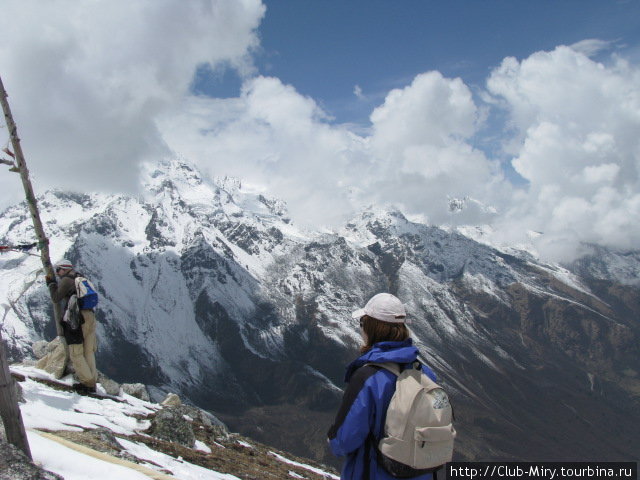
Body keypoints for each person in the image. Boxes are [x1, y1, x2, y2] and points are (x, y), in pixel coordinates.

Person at [327, 293, 438, 480]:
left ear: (371, 328)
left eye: (362, 323)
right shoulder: (426, 374)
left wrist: (332, 438)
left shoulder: (368, 378)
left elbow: (345, 440)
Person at [45, 259, 98, 394]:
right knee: (88, 351)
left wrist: (51, 284)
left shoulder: (67, 280)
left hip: (77, 318)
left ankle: (87, 382)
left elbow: (56, 298)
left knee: (76, 352)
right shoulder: (80, 277)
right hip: (90, 316)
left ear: (64, 269)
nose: (57, 273)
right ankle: (93, 382)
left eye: (58, 270)